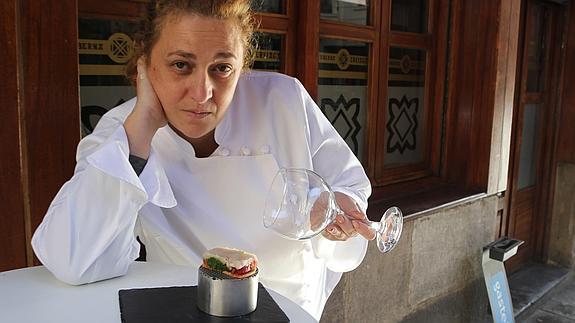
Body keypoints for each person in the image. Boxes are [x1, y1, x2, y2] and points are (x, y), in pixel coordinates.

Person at [32, 0, 374, 320]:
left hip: (292, 308)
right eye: (181, 65)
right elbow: (71, 260)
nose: (202, 93)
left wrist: (340, 216)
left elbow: (347, 186)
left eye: (222, 68)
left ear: (242, 67)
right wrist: (140, 131)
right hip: (186, 308)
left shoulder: (283, 100)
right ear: (146, 64)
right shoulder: (121, 132)